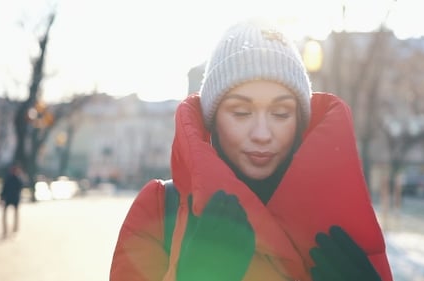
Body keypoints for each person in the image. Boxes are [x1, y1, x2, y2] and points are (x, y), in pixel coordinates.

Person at [110, 19, 393, 281]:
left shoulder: (341, 221)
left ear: (299, 121)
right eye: (241, 112)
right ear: (214, 120)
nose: (261, 134)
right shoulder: (161, 210)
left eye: (281, 113)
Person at [0, 163, 25, 239]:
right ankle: (5, 230)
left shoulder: (18, 178)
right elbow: (4, 187)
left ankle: (15, 229)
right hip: (9, 198)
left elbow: (22, 186)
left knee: (15, 214)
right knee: (5, 215)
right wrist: (2, 197)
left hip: (14, 198)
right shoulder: (8, 177)